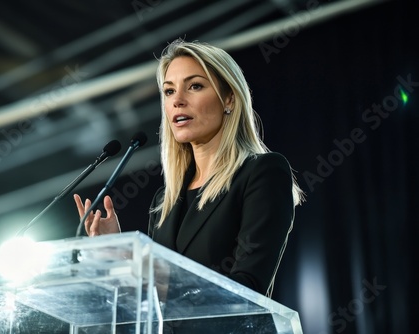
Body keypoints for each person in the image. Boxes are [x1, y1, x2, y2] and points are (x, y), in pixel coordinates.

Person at [74, 38, 304, 297]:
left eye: (194, 86)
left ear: (229, 99)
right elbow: (152, 302)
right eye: (169, 91)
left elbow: (248, 288)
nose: (177, 101)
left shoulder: (263, 173)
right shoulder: (166, 201)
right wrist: (120, 254)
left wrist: (148, 267)